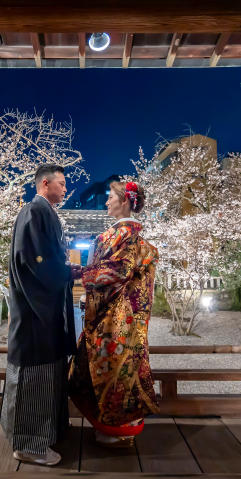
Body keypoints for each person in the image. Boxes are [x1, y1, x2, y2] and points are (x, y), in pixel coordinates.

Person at [1, 163, 81, 466]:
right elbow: (35, 261)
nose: (65, 188)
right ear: (45, 184)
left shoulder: (44, 212)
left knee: (49, 370)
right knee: (35, 373)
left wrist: (64, 271)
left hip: (45, 307)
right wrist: (63, 271)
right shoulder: (34, 212)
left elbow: (48, 260)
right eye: (61, 183)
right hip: (36, 311)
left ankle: (48, 432)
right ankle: (29, 445)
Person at [68, 181, 159, 448]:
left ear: (126, 202)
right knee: (117, 372)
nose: (106, 202)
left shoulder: (123, 235)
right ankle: (115, 427)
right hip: (124, 316)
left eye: (111, 197)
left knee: (113, 373)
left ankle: (119, 431)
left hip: (115, 318)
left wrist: (82, 274)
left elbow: (119, 271)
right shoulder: (128, 236)